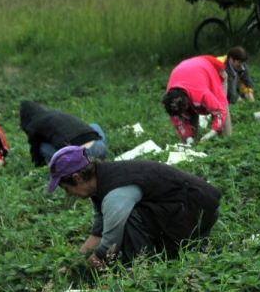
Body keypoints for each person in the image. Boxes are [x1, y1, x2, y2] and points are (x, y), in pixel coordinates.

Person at [46, 145, 221, 269]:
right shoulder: (100, 185)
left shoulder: (115, 192)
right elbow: (98, 232)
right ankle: (166, 254)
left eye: (66, 189)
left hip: (197, 208)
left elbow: (110, 241)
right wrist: (77, 262)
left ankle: (145, 268)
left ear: (77, 178)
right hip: (183, 208)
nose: (68, 194)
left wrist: (92, 265)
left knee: (129, 218)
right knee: (125, 218)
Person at [163, 55, 232, 143]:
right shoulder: (171, 100)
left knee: (222, 105)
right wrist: (188, 137)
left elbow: (219, 111)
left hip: (211, 69)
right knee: (189, 113)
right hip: (189, 71)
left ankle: (227, 143)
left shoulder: (200, 93)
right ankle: (192, 142)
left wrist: (213, 131)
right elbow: (178, 120)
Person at [19, 100, 109, 165]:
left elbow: (35, 151)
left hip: (81, 157)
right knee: (94, 125)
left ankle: (68, 165)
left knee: (41, 146)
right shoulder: (53, 113)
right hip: (99, 148)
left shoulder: (33, 124)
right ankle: (100, 150)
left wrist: (38, 162)